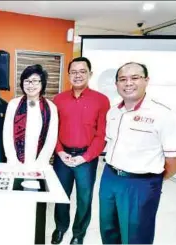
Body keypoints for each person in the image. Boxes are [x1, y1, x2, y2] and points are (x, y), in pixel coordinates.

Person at [99, 62, 176, 244]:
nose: (128, 83)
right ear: (116, 84)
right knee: (108, 229)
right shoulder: (113, 112)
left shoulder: (163, 114)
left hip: (140, 183)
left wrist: (152, 178)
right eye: (122, 79)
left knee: (136, 236)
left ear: (146, 80)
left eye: (135, 78)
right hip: (110, 177)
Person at [51, 57, 110, 244]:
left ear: (90, 74)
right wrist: (59, 151)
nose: (78, 75)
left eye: (82, 71)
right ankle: (60, 228)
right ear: (68, 75)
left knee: (84, 198)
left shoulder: (101, 100)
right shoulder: (58, 99)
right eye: (74, 72)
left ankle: (78, 233)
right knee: (61, 195)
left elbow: (101, 135)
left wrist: (85, 157)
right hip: (63, 157)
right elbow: (52, 131)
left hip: (87, 158)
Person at [2, 64, 58, 244]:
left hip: (39, 166)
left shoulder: (50, 107)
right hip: (15, 164)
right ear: (22, 83)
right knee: (17, 204)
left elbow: (51, 137)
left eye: (35, 81)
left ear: (42, 84)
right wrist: (14, 161)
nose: (31, 85)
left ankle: (37, 240)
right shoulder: (13, 104)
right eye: (27, 81)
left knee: (38, 206)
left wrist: (38, 165)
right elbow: (7, 135)